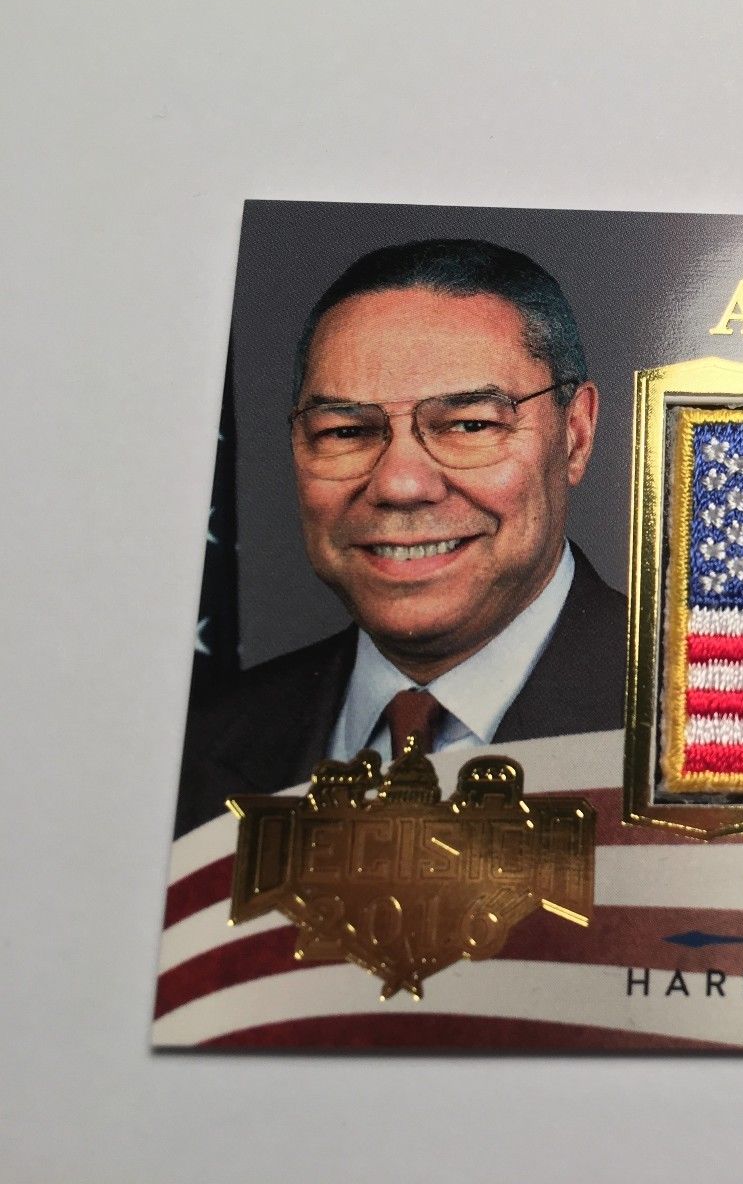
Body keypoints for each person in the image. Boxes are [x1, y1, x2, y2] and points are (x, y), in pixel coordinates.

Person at [175, 239, 626, 836]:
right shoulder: (195, 746)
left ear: (575, 434)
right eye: (345, 432)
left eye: (469, 424)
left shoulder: (708, 724)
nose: (401, 484)